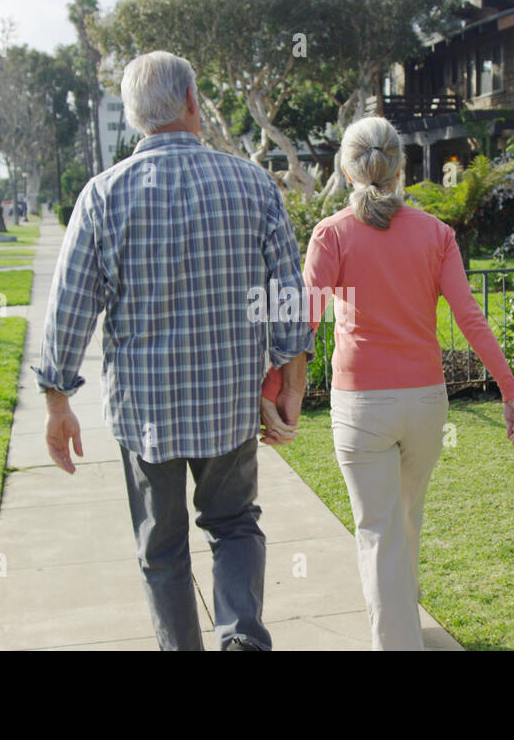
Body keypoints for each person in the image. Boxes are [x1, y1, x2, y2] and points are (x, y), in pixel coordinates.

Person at [36, 51, 313, 651]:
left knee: (161, 549)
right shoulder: (253, 183)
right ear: (191, 102)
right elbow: (288, 296)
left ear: (138, 117)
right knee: (234, 525)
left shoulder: (103, 196)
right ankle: (241, 638)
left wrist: (57, 399)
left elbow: (69, 308)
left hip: (146, 414)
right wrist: (292, 383)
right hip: (229, 406)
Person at [260, 116, 514, 650]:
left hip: (361, 406)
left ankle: (398, 642)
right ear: (401, 168)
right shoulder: (436, 234)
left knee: (378, 530)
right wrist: (510, 389)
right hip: (426, 405)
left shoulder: (330, 233)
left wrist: (273, 392)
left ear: (345, 168)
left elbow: (303, 321)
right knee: (405, 520)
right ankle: (404, 623)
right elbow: (471, 318)